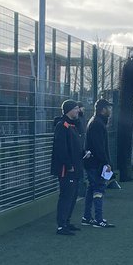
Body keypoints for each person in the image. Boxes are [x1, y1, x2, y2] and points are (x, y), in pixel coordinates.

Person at [49, 100, 83, 235]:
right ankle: (61, 225)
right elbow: (60, 149)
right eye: (75, 108)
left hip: (75, 167)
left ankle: (67, 222)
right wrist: (69, 166)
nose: (78, 111)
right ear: (69, 110)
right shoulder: (62, 126)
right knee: (66, 196)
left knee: (73, 196)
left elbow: (75, 145)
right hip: (66, 169)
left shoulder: (72, 125)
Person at [82, 98, 115, 228]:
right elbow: (99, 146)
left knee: (92, 189)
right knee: (98, 189)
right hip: (95, 164)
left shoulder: (96, 122)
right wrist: (106, 163)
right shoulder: (97, 123)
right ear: (103, 110)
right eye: (109, 108)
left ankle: (86, 217)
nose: (110, 110)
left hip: (93, 162)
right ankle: (98, 219)